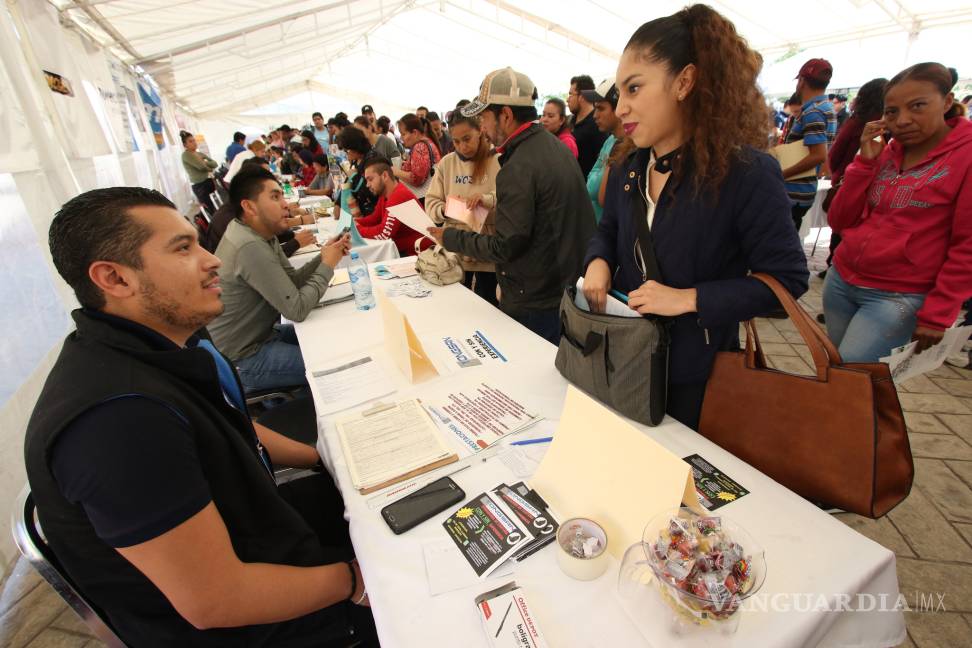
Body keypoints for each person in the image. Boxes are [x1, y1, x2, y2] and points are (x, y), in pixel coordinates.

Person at [26, 186, 376, 647]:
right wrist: (356, 582)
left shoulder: (152, 350)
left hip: (259, 530)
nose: (213, 260)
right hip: (261, 626)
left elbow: (232, 425)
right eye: (183, 248)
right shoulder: (118, 421)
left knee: (388, 494)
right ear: (114, 278)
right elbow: (217, 600)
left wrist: (320, 458)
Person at [582, 5, 809, 430]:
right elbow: (609, 229)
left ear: (684, 81)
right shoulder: (631, 165)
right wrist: (597, 262)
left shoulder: (745, 173)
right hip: (625, 359)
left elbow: (788, 280)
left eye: (634, 89)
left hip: (696, 378)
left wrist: (688, 299)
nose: (622, 107)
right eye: (620, 94)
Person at [428, 67, 596, 344]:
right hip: (559, 286)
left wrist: (451, 237)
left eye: (484, 118)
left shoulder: (519, 164)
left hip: (538, 299)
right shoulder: (550, 147)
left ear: (505, 115)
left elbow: (506, 245)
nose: (482, 128)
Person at [823, 62, 972, 362]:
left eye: (917, 106)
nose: (902, 120)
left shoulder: (965, 156)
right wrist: (863, 164)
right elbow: (839, 221)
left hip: (898, 297)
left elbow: (967, 245)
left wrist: (939, 312)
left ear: (946, 102)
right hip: (841, 281)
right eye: (892, 112)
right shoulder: (888, 152)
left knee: (852, 381)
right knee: (842, 378)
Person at [209, 167, 350, 393]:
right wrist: (328, 264)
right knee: (334, 362)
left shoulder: (260, 234)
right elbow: (297, 309)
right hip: (243, 358)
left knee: (333, 336)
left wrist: (324, 254)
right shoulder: (249, 246)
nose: (285, 204)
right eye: (275, 197)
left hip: (261, 336)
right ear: (249, 207)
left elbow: (291, 281)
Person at [425, 111, 502, 305]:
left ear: (480, 131)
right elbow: (431, 201)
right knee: (456, 306)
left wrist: (486, 199)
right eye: (457, 141)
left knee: (488, 306)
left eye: (467, 139)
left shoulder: (498, 159)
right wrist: (446, 209)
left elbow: (509, 197)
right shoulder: (447, 163)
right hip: (455, 251)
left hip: (488, 249)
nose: (462, 147)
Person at [817, 77, 888, 280]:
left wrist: (838, 176)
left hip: (850, 183)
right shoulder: (878, 125)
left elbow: (835, 155)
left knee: (841, 231)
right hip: (867, 185)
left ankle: (836, 267)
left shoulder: (858, 122)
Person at [208, 158, 315, 255]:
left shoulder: (236, 208)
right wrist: (296, 242)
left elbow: (267, 236)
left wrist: (292, 235)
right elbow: (260, 256)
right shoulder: (232, 220)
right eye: (274, 197)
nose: (285, 204)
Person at [780, 58, 837, 231]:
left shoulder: (814, 112)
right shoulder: (826, 107)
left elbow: (818, 155)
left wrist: (781, 174)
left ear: (802, 81)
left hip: (794, 192)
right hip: (802, 190)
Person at [356, 157, 433, 255]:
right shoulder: (386, 194)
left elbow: (383, 234)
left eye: (370, 179)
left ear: (384, 176)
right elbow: (374, 219)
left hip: (419, 255)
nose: (367, 185)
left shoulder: (399, 196)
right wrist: (354, 224)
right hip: (407, 251)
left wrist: (357, 230)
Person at [584, 79, 623, 223]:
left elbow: (598, 193)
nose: (595, 115)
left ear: (618, 108)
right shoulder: (610, 140)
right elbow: (590, 184)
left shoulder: (626, 147)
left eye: (600, 108)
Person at [394, 113, 441, 202]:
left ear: (415, 133)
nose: (401, 137)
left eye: (403, 134)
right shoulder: (428, 142)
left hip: (423, 198)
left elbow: (416, 179)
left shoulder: (420, 147)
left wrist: (396, 172)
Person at [334, 125, 379, 218]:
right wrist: (338, 203)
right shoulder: (357, 160)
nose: (346, 153)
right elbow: (347, 183)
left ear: (354, 147)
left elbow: (372, 191)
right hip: (358, 213)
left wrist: (354, 176)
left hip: (372, 214)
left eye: (347, 150)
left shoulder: (372, 160)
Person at [568, 74, 608, 176]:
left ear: (581, 96)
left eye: (570, 94)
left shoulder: (598, 125)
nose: (568, 99)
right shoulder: (570, 121)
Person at [180, 131, 219, 213]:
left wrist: (204, 162)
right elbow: (201, 167)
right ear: (185, 145)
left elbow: (215, 163)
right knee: (210, 209)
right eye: (190, 141)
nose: (194, 142)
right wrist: (208, 166)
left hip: (208, 181)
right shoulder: (186, 155)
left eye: (194, 140)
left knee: (217, 203)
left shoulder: (199, 153)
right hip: (199, 185)